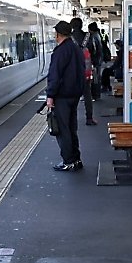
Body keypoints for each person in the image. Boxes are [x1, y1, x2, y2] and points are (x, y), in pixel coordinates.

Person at [46, 21, 85, 172]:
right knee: (71, 128)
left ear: (58, 34)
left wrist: (50, 96)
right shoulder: (76, 48)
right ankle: (76, 159)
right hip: (74, 95)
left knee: (63, 130)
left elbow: (54, 75)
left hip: (62, 96)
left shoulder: (60, 51)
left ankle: (68, 161)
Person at [70, 17, 97, 125]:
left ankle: (72, 119)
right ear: (81, 26)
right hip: (86, 70)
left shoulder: (69, 38)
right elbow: (94, 51)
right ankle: (89, 118)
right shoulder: (88, 36)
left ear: (72, 26)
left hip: (73, 71)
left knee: (72, 96)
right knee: (87, 95)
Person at [87, 22, 103, 100]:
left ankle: (95, 96)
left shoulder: (93, 37)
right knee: (97, 78)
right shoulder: (98, 35)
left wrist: (92, 61)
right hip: (99, 60)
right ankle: (97, 95)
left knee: (95, 79)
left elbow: (94, 50)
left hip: (96, 61)